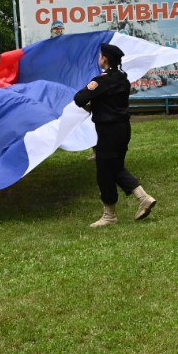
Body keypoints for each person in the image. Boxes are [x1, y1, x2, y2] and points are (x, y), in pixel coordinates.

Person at [72, 43, 157, 227]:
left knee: (104, 171)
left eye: (100, 55)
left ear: (105, 59)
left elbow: (79, 98)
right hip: (123, 129)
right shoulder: (123, 79)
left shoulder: (102, 81)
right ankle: (143, 197)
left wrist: (91, 105)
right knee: (116, 167)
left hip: (108, 131)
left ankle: (109, 215)